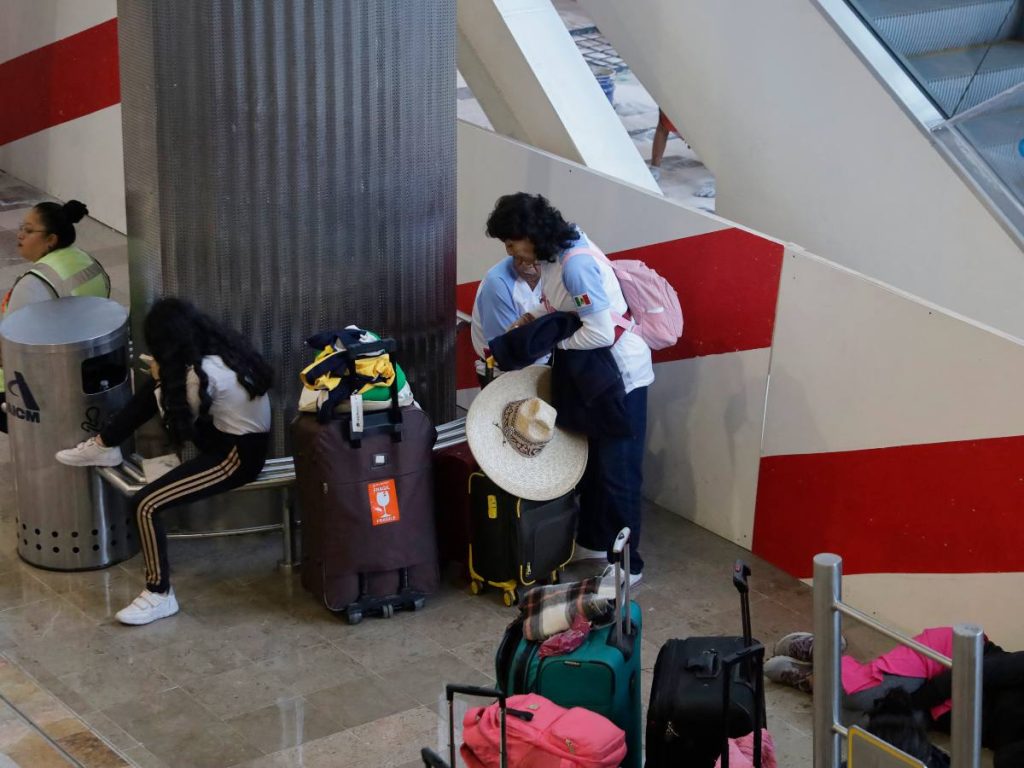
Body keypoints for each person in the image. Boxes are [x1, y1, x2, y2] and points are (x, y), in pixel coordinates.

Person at [55, 298, 273, 626]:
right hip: (229, 436)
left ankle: (159, 593)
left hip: (236, 457)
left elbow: (178, 427)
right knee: (160, 381)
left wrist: (163, 382)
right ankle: (105, 444)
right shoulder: (219, 349)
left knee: (145, 504)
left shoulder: (203, 375)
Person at [484, 193, 653, 586]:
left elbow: (598, 331)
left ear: (529, 234)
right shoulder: (554, 255)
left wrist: (552, 343)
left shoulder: (575, 266)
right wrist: (532, 317)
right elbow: (561, 306)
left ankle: (630, 564)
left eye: (511, 243)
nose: (511, 253)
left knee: (619, 472)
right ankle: (596, 542)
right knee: (594, 465)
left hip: (620, 375)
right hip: (597, 375)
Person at [0, 200, 109, 431]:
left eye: (29, 231)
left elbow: (9, 346)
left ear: (51, 240)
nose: (20, 235)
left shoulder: (34, 283)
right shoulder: (86, 260)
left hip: (36, 389)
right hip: (91, 369)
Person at [470, 246, 544, 385]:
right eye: (519, 259)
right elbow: (509, 350)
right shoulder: (497, 283)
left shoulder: (553, 270)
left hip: (541, 365)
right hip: (503, 373)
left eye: (534, 262)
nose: (527, 266)